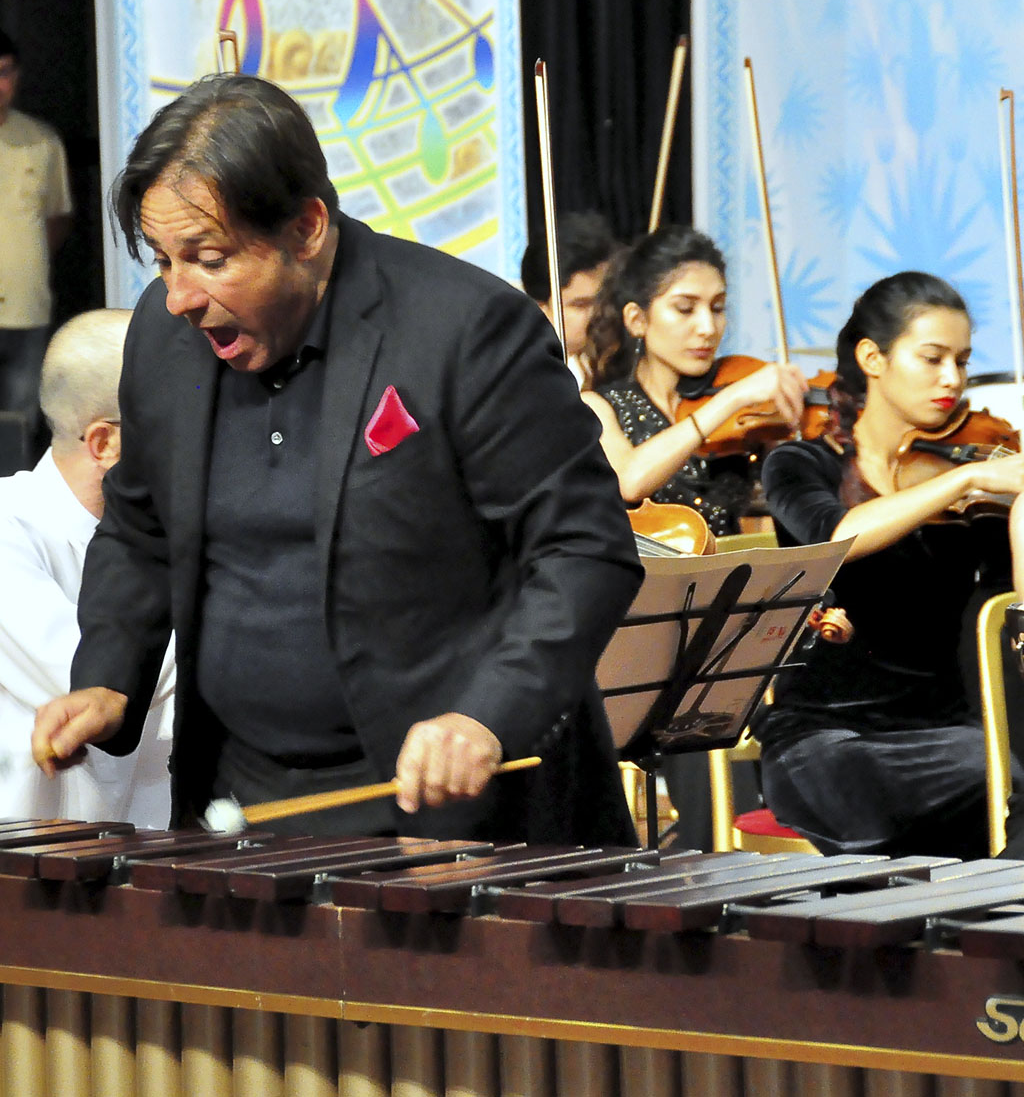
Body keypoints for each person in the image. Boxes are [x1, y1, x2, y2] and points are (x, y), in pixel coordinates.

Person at [30, 73, 642, 845]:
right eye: (162, 259)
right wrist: (110, 678)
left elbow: (584, 549)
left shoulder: (466, 330)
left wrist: (488, 714)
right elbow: (140, 527)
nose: (179, 293)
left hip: (451, 807)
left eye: (208, 256)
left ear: (308, 227)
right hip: (245, 804)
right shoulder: (166, 335)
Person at [755, 271, 1024, 859]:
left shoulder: (971, 481)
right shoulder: (800, 465)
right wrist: (970, 475)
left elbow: (1012, 605)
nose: (952, 379)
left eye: (962, 360)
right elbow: (837, 535)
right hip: (824, 734)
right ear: (872, 358)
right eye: (932, 358)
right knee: (848, 774)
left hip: (943, 732)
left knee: (1000, 765)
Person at [0, 309, 172, 825]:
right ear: (105, 443)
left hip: (154, 854)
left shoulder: (179, 528)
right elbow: (86, 681)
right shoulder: (8, 527)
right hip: (28, 867)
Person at [581, 225, 807, 535]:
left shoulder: (744, 416)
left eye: (717, 308)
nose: (707, 328)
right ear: (637, 320)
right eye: (685, 309)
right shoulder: (599, 406)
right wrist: (730, 399)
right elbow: (629, 481)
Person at [0, 29, 73, 436]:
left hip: (27, 308)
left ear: (17, 77)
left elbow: (57, 218)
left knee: (18, 425)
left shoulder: (42, 141)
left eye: (4, 72)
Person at [520, 211, 618, 388]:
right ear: (541, 309)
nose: (599, 314)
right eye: (581, 305)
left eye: (605, 300)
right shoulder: (527, 379)